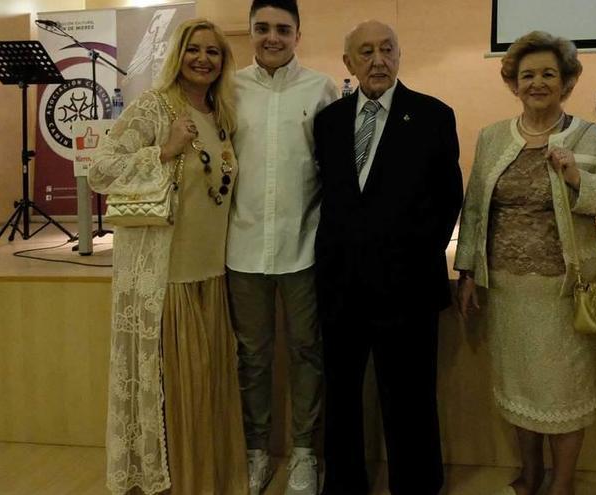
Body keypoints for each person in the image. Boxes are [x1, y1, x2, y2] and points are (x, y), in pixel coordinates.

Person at [455, 31, 596, 495]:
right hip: (507, 288)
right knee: (518, 388)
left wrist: (576, 177)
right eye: (527, 74)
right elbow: (474, 209)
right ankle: (530, 474)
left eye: (549, 73)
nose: (537, 82)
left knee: (564, 391)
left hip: (565, 290)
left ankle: (562, 482)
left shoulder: (593, 136)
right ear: (513, 82)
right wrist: (467, 271)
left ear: (567, 82)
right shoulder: (492, 138)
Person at [89, 18, 246, 495]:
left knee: (207, 392)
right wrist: (162, 151)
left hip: (211, 273)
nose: (203, 59)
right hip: (167, 277)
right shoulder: (154, 107)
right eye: (194, 50)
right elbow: (101, 170)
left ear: (223, 62)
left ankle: (209, 477)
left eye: (213, 52)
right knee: (181, 391)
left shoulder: (223, 115)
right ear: (178, 54)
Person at [312, 20, 463, 495]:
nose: (377, 60)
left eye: (386, 49)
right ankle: (344, 483)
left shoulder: (434, 115)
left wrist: (409, 257)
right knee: (341, 396)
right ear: (348, 64)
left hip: (408, 286)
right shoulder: (328, 122)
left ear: (399, 55)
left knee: (411, 398)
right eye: (365, 52)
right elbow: (331, 199)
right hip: (341, 286)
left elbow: (447, 199)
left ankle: (416, 484)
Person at [225, 1, 336, 494]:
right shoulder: (229, 89)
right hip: (242, 245)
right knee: (252, 356)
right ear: (251, 32)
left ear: (298, 33)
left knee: (307, 352)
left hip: (303, 245)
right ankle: (256, 452)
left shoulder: (322, 88)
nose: (273, 37)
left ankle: (305, 455)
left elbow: (332, 169)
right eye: (263, 28)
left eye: (283, 29)